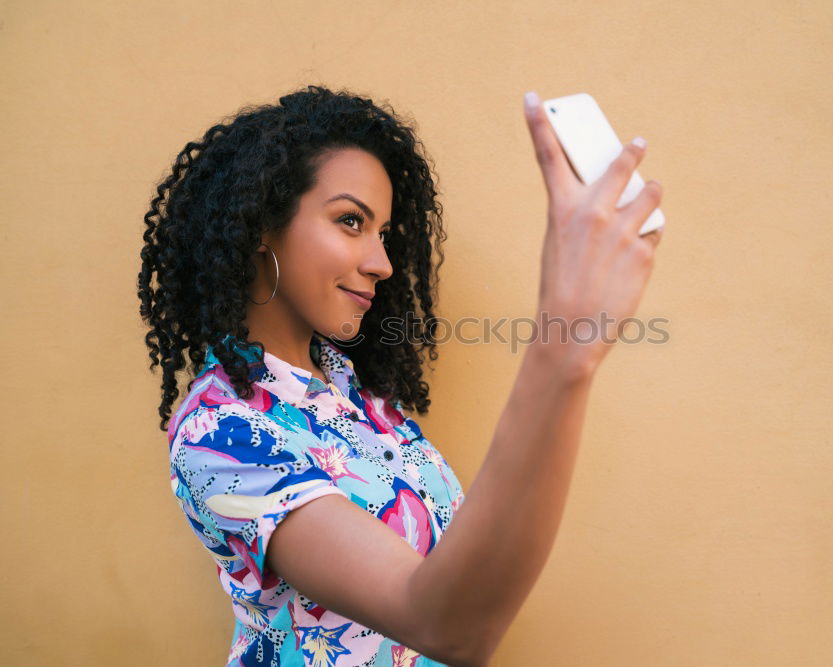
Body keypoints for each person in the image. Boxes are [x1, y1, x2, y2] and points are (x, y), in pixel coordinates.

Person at [137, 84, 663, 666]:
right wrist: (561, 351)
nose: (381, 263)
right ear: (263, 225)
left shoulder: (354, 395)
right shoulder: (221, 433)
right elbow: (444, 626)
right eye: (350, 221)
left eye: (382, 233)